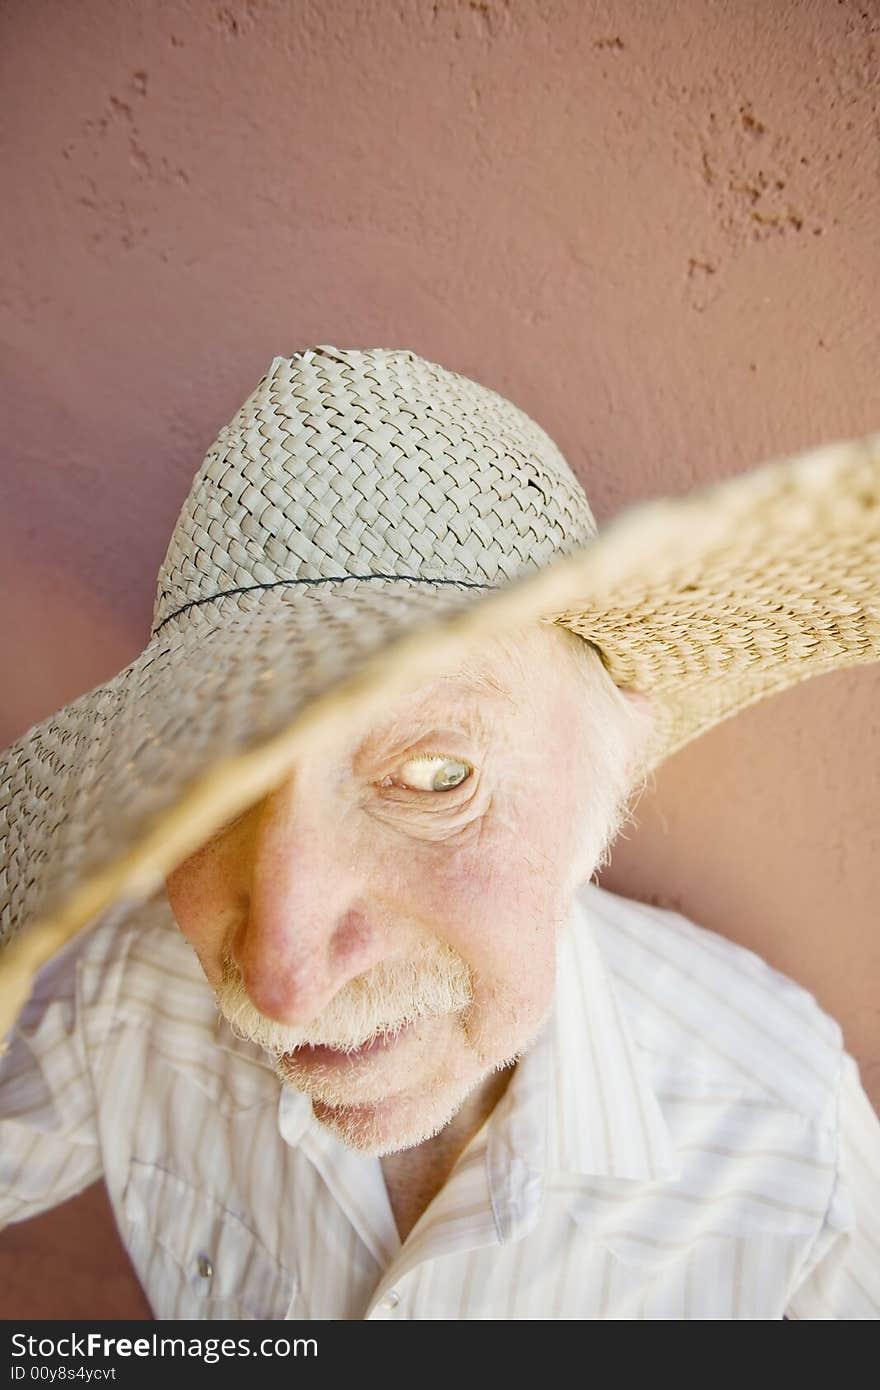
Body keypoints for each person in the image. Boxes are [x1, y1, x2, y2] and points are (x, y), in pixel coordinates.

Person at [0, 346, 878, 1320]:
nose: (285, 984)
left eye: (434, 775)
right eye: (215, 786)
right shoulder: (126, 1001)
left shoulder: (786, 1141)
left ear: (614, 759)